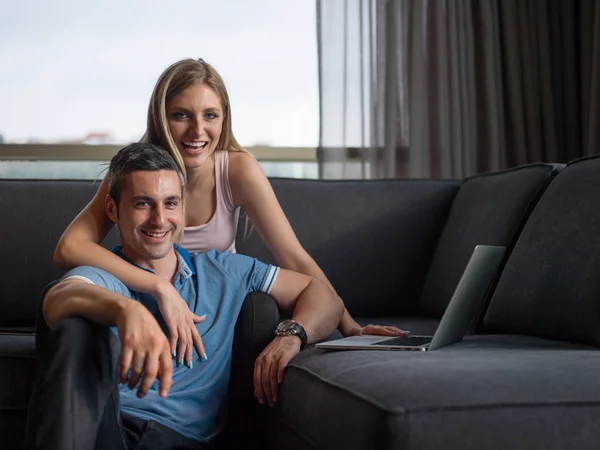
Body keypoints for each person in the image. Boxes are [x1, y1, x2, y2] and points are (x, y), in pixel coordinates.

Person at [54, 58, 406, 373]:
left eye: (210, 115)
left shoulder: (236, 170)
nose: (197, 131)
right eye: (181, 115)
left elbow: (293, 257)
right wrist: (158, 286)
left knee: (261, 309)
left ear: (224, 119)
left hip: (216, 309)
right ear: (162, 117)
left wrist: (349, 326)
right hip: (148, 298)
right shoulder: (139, 172)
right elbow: (69, 247)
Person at [25, 142, 344, 450]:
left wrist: (291, 336)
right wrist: (125, 310)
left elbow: (323, 295)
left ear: (183, 206)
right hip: (107, 431)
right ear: (112, 208)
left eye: (170, 203)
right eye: (142, 203)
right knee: (76, 327)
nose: (159, 219)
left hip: (177, 439)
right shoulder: (107, 275)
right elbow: (59, 298)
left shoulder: (222, 270)